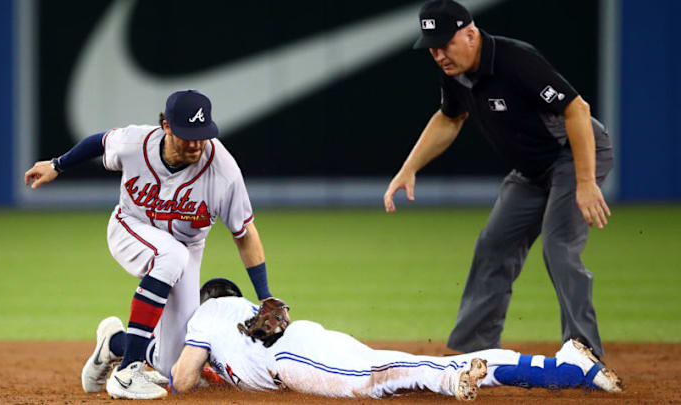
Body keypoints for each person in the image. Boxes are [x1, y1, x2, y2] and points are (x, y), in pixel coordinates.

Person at [383, 0, 614, 359]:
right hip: (531, 171)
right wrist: (409, 167)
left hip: (574, 157)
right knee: (493, 247)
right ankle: (474, 352)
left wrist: (585, 181)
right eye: (433, 47)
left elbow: (577, 109)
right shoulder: (454, 72)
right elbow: (449, 118)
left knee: (558, 247)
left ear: (471, 34)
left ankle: (584, 353)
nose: (439, 54)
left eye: (446, 43)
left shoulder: (515, 60)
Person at [24, 90, 275, 400]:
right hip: (130, 227)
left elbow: (245, 233)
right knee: (170, 254)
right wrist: (57, 165)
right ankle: (128, 372)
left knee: (173, 365)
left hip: (188, 248)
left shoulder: (223, 171)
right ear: (166, 127)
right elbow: (98, 142)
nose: (197, 143)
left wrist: (266, 297)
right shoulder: (136, 143)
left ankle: (113, 343)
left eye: (202, 134)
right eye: (188, 134)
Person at [127, 278, 618, 402]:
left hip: (294, 354)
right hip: (304, 344)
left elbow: (185, 378)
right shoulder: (237, 317)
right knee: (389, 370)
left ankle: (451, 382)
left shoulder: (209, 312)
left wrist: (173, 379)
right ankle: (564, 367)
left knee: (375, 378)